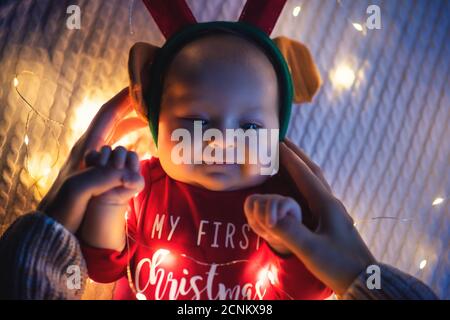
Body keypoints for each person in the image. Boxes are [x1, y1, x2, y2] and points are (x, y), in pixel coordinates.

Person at [0, 88, 437, 300]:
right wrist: (111, 202)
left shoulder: (277, 200)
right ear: (157, 125)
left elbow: (305, 289)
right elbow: (102, 266)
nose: (222, 139)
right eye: (194, 119)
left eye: (250, 129)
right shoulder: (146, 182)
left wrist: (286, 241)